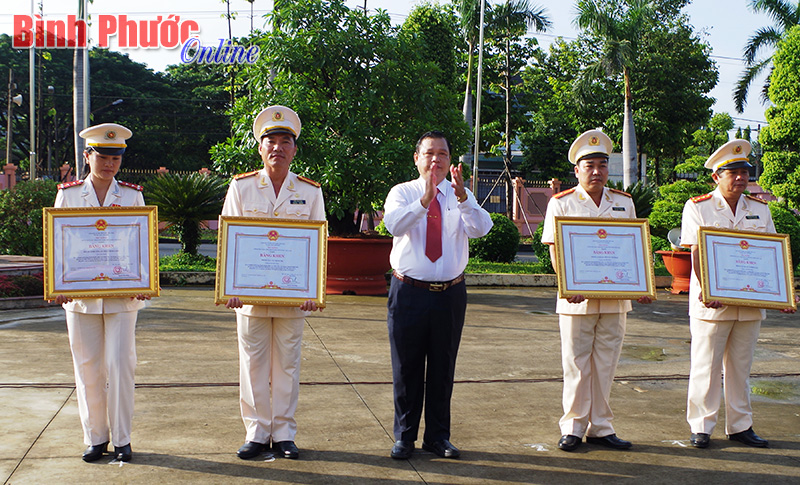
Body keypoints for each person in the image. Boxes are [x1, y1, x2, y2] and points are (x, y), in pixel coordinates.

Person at [222, 106, 325, 460]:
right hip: (249, 296)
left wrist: (315, 290)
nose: (277, 148)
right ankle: (256, 432)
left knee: (287, 365)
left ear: (295, 149)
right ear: (260, 147)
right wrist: (229, 285)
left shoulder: (310, 192)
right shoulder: (241, 187)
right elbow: (227, 238)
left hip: (293, 297)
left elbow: (319, 244)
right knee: (252, 364)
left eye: (285, 141)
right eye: (271, 141)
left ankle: (283, 433)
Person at [383, 131, 493, 460]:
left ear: (450, 161)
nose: (436, 160)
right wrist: (423, 200)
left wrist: (463, 199)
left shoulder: (461, 195)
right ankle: (405, 437)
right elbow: (393, 225)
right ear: (416, 158)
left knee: (443, 367)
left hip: (450, 293)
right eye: (429, 153)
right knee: (407, 368)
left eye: (443, 154)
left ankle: (438, 437)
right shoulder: (402, 192)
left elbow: (482, 228)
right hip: (409, 292)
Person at [680, 139, 797, 449]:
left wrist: (784, 293)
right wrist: (707, 289)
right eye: (732, 172)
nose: (741, 177)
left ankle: (741, 425)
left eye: (745, 171)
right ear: (716, 177)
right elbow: (695, 252)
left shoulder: (759, 208)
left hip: (749, 303)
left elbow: (773, 254)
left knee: (741, 367)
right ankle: (701, 426)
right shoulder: (698, 206)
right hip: (712, 303)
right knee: (706, 365)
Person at [541, 129, 652, 452]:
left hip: (615, 299)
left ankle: (601, 426)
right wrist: (567, 284)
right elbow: (554, 249)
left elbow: (633, 248)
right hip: (576, 298)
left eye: (602, 165)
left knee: (607, 364)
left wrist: (641, 283)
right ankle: (573, 426)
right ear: (577, 170)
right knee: (576, 363)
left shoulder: (623, 202)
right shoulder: (561, 203)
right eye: (589, 165)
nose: (597, 171)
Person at [54, 123, 150, 462]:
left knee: (121, 366)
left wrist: (145, 280)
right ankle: (96, 437)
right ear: (87, 156)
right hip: (80, 299)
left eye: (115, 157)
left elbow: (139, 244)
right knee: (88, 366)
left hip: (123, 297)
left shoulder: (132, 195)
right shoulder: (67, 195)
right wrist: (58, 283)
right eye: (102, 156)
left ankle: (122, 439)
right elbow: (60, 244)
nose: (109, 164)